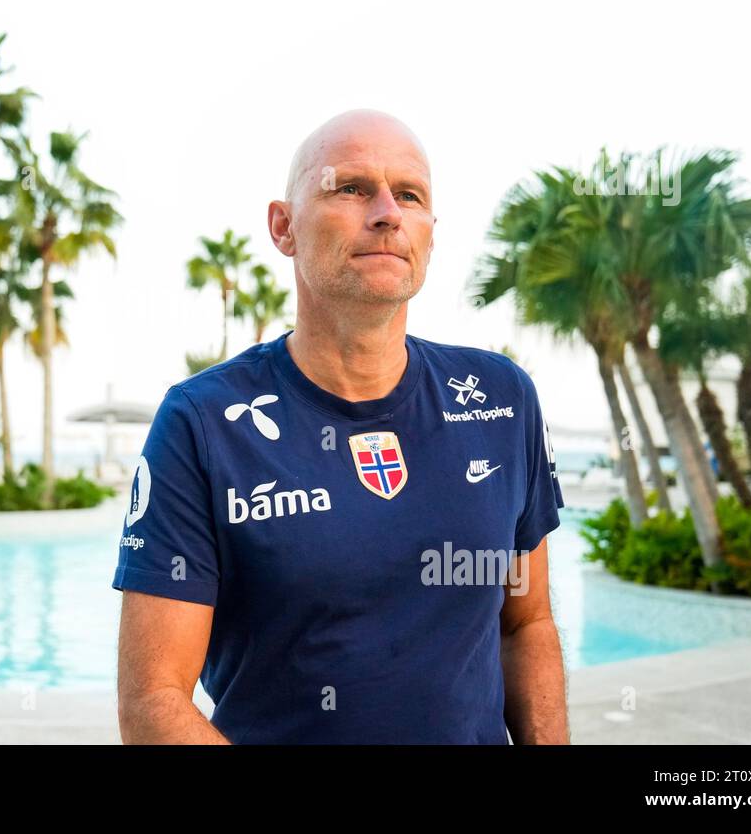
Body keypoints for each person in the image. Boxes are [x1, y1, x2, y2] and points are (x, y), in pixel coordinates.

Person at [112, 109, 568, 744]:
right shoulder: (205, 422)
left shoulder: (501, 398)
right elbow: (153, 700)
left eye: (409, 195)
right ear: (283, 226)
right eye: (350, 188)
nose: (386, 212)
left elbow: (526, 625)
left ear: (430, 233)